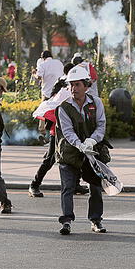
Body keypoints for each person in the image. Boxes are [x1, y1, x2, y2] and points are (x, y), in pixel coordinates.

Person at [54, 65, 108, 235]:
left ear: (86, 85)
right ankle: (66, 221)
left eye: (77, 84)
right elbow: (67, 131)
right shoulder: (63, 107)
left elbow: (101, 125)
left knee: (95, 187)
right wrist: (80, 144)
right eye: (71, 85)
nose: (73, 88)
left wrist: (92, 141)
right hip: (69, 153)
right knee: (68, 187)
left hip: (92, 151)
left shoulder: (96, 103)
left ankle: (96, 220)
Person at [29, 63, 89, 197]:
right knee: (50, 159)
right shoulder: (65, 89)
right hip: (58, 131)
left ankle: (76, 185)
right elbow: (55, 106)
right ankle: (34, 185)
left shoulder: (80, 91)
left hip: (74, 131)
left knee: (78, 156)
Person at [33, 50, 64, 138]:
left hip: (47, 92)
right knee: (58, 111)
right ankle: (57, 131)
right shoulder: (59, 63)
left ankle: (42, 132)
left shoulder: (42, 64)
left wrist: (34, 74)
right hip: (59, 92)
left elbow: (39, 77)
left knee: (43, 110)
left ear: (43, 58)